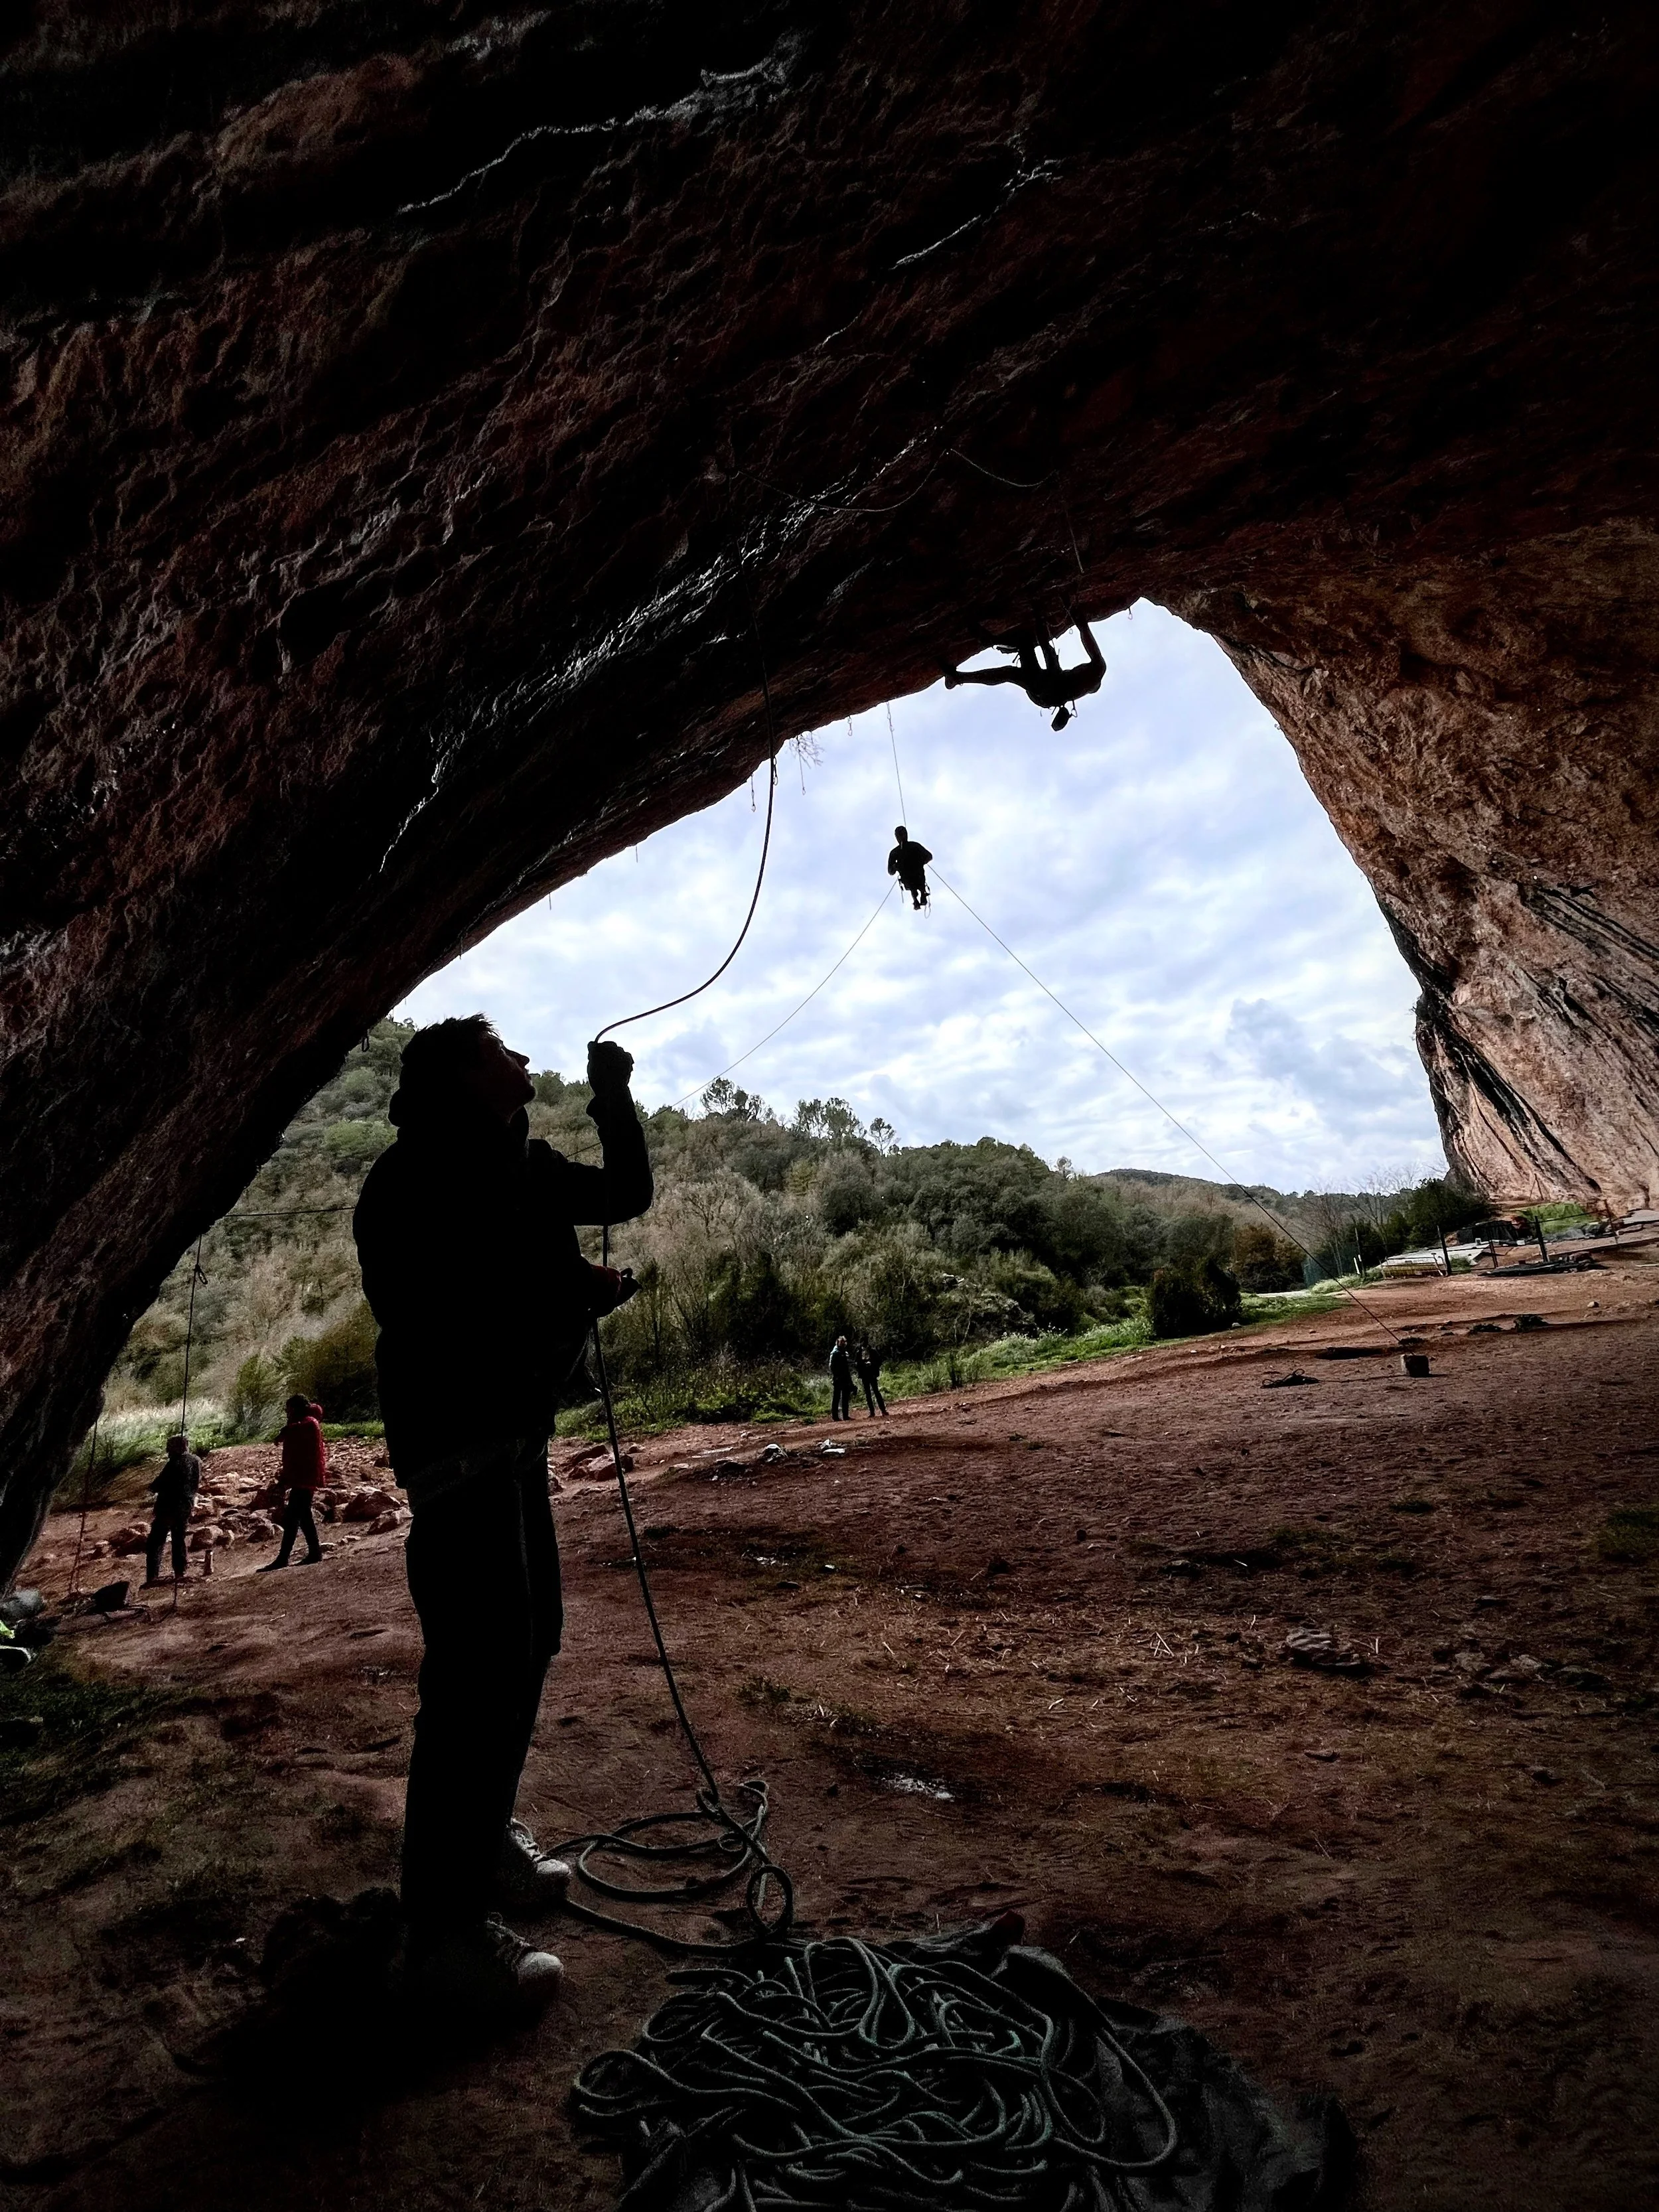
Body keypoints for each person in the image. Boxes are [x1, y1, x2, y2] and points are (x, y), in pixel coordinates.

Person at [352, 1017, 651, 2020]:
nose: (526, 1064)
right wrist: (571, 1295)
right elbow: (457, 1296)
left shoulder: (515, 1161)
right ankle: (440, 1936)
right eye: (504, 1056)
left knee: (529, 1647)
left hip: (514, 1447)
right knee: (478, 1673)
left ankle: (479, 1846)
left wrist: (615, 1101)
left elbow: (626, 1197)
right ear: (461, 1081)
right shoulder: (407, 1180)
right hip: (456, 1452)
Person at [944, 615, 1106, 729]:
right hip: (1043, 690)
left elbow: (1047, 649)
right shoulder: (1088, 678)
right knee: (1020, 651)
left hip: (1043, 690)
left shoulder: (1084, 678)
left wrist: (1040, 616)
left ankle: (961, 675)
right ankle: (960, 675)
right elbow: (1050, 650)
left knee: (1012, 669)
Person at [261, 1394, 326, 1568]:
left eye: (289, 1408)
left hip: (305, 1478)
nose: (287, 1412)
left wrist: (284, 1432)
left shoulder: (309, 1423)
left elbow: (294, 1434)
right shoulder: (307, 1423)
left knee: (292, 1519)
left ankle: (284, 1558)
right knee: (304, 1517)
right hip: (303, 1477)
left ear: (296, 1409)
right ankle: (314, 1553)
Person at [144, 1434, 202, 1585]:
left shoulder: (174, 1463)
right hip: (185, 1506)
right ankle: (180, 1572)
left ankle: (152, 1577)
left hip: (168, 1507)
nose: (167, 1451)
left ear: (176, 1448)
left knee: (155, 1542)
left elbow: (157, 1485)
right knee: (179, 1539)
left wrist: (149, 1489)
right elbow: (195, 1484)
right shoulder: (195, 1461)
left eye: (169, 1447)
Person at [887, 826, 932, 910]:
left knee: (918, 880)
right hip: (907, 877)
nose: (902, 837)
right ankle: (916, 899)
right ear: (897, 837)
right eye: (900, 835)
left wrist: (920, 862)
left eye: (904, 834)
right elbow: (890, 871)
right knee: (911, 884)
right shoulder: (895, 852)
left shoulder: (914, 846)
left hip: (918, 874)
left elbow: (929, 856)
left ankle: (922, 894)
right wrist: (895, 866)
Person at [853, 1341, 887, 1418]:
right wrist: (862, 1366)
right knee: (868, 1394)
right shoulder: (859, 1352)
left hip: (872, 1374)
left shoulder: (873, 1351)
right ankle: (872, 1412)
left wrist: (872, 1365)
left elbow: (879, 1361)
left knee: (876, 1392)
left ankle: (883, 1410)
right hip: (864, 1375)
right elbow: (856, 1364)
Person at [828, 1335, 855, 1421]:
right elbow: (832, 1367)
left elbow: (847, 1367)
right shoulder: (836, 1353)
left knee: (845, 1397)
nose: (843, 1344)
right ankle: (835, 1416)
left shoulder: (844, 1353)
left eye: (844, 1343)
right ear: (838, 1343)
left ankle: (845, 1416)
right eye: (842, 1343)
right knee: (837, 1397)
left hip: (845, 1377)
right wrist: (836, 1376)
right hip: (838, 1378)